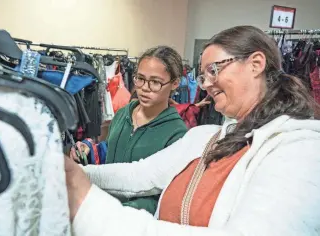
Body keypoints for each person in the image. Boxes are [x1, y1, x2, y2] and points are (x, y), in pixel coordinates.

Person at [65, 25, 320, 236]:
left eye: (214, 70)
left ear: (255, 64)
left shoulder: (300, 149)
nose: (207, 84)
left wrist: (92, 210)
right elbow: (139, 175)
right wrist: (72, 172)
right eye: (203, 75)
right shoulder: (205, 136)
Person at [70, 46, 190, 215]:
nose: (145, 88)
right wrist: (90, 149)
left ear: (175, 83)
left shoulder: (177, 134)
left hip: (132, 222)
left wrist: (121, 213)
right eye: (140, 79)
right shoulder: (122, 114)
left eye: (155, 82)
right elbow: (112, 150)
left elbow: (165, 195)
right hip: (101, 210)